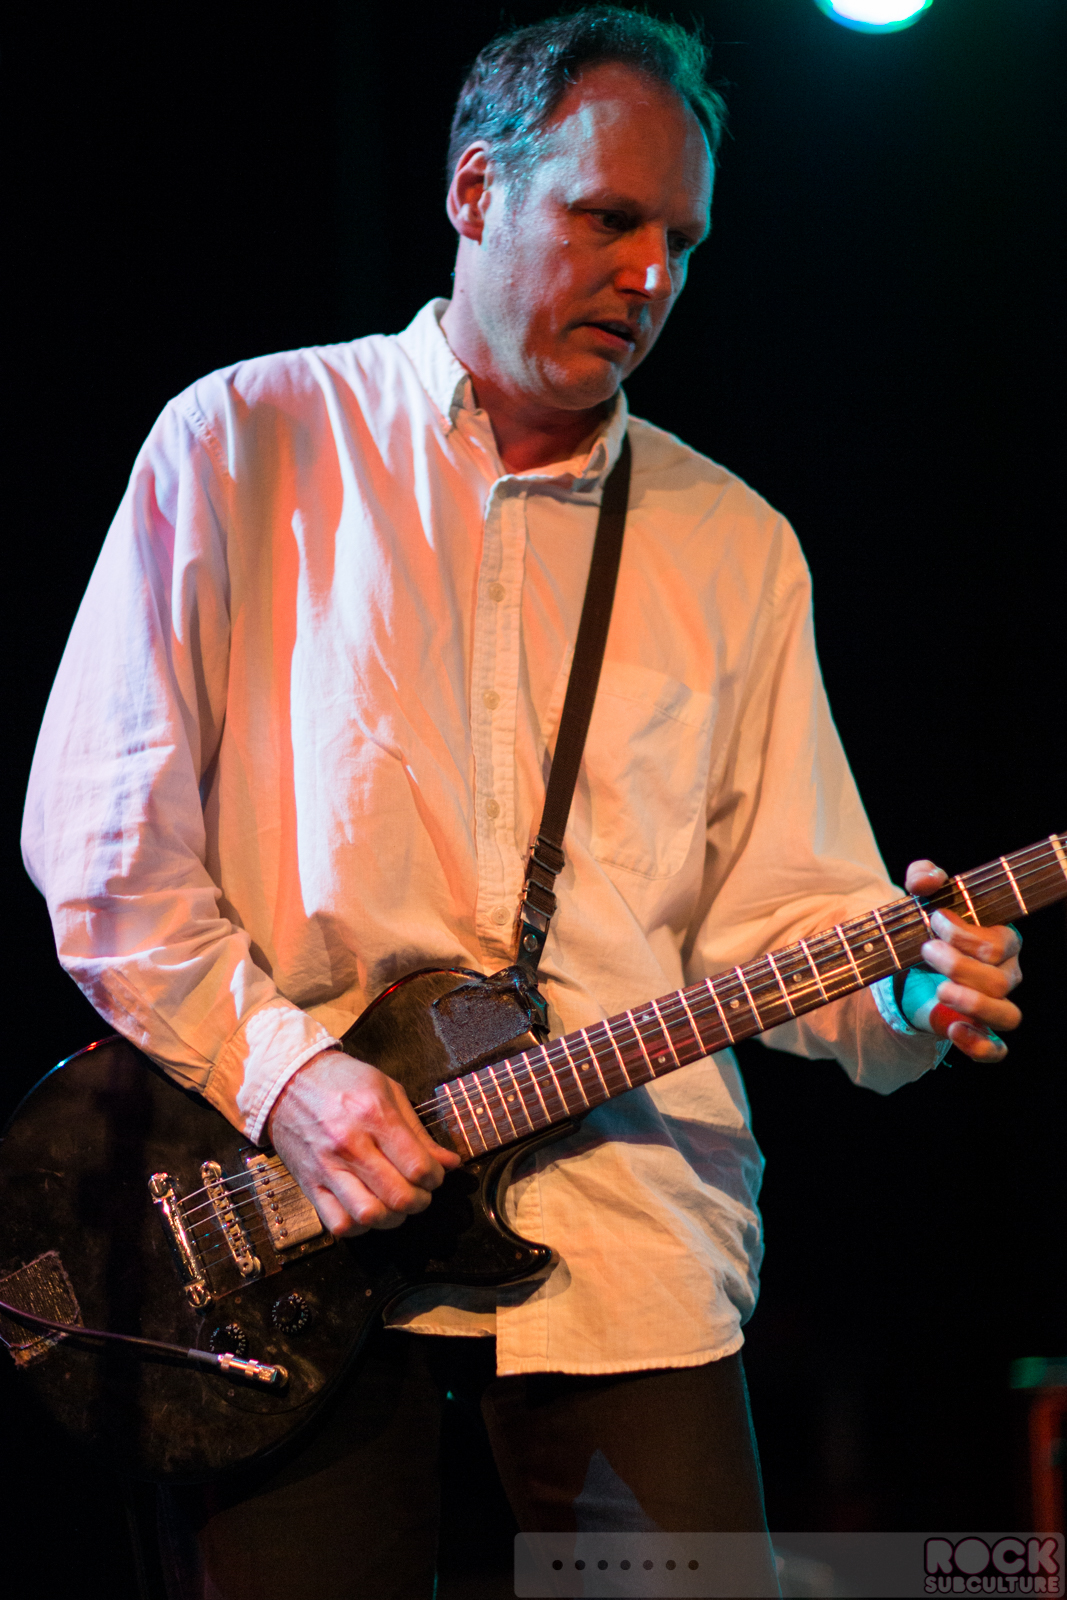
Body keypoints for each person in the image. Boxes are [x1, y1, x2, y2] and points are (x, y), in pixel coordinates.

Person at [21, 9, 1022, 1599]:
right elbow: (104, 848)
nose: (651, 275)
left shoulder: (735, 544)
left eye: (682, 240)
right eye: (608, 218)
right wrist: (289, 1080)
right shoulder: (244, 440)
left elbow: (783, 910)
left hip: (627, 1247)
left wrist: (903, 981)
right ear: (476, 188)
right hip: (283, 1222)